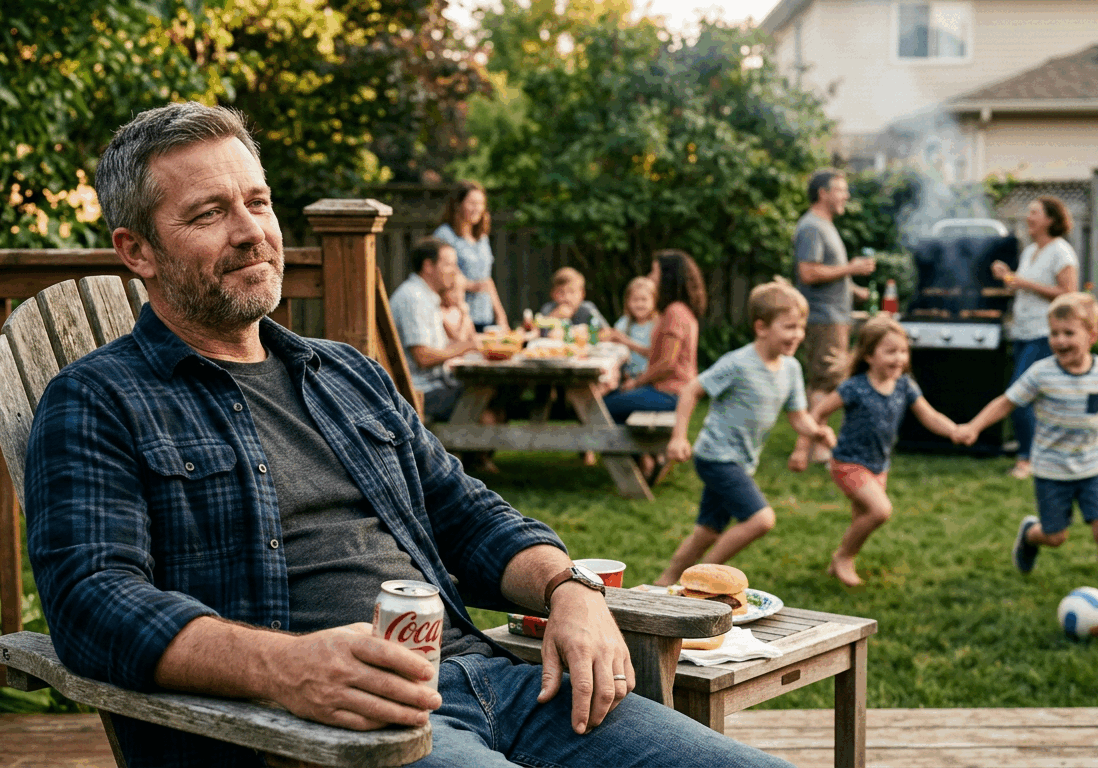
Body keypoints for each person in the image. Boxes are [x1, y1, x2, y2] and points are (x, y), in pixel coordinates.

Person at [23, 102, 792, 768]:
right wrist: (285, 668)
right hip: (318, 734)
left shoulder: (343, 375)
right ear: (137, 252)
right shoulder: (96, 402)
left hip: (503, 684)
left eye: (257, 202)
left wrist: (570, 588)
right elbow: (92, 602)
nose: (251, 232)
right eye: (208, 214)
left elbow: (465, 512)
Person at [653, 280, 836, 587]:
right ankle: (699, 580)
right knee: (760, 520)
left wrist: (816, 432)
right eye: (789, 327)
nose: (797, 335)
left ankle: (664, 584)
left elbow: (798, 417)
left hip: (741, 460)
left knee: (706, 532)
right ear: (761, 327)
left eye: (801, 327)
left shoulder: (791, 369)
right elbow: (690, 390)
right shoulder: (738, 363)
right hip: (716, 456)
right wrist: (679, 437)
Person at [790, 316, 959, 586]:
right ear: (869, 355)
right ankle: (843, 556)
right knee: (880, 511)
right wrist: (803, 449)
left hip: (879, 465)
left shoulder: (904, 385)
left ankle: (842, 562)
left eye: (903, 351)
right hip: (848, 462)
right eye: (890, 351)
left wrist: (954, 430)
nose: (899, 358)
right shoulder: (854, 387)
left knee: (863, 519)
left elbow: (930, 416)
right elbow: (818, 412)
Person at [956, 292, 1098, 574]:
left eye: (1069, 333)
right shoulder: (1041, 373)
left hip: (1092, 466)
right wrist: (973, 426)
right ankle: (1030, 535)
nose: (1060, 340)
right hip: (1051, 471)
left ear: (1092, 335)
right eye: (1054, 333)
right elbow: (1006, 402)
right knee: (1055, 537)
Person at [990, 195, 1079, 480]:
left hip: (1046, 334)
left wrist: (1023, 282)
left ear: (1050, 219)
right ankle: (1043, 453)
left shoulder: (1061, 252)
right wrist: (1009, 278)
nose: (1028, 217)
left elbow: (1069, 293)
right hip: (1023, 332)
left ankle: (1025, 460)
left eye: (1034, 213)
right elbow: (1026, 288)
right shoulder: (1030, 252)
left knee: (1020, 395)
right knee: (1035, 397)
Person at [790, 169, 876, 466]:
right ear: (823, 193)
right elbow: (808, 272)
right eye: (841, 190)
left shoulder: (825, 226)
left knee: (826, 381)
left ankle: (818, 444)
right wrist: (850, 269)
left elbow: (826, 272)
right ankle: (820, 449)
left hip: (834, 316)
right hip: (823, 317)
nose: (846, 196)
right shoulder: (812, 227)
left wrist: (853, 288)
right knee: (826, 384)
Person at [602, 250, 706, 482]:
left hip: (671, 394)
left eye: (654, 271)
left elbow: (667, 364)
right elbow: (659, 355)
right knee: (611, 407)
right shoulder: (678, 310)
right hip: (669, 390)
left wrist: (636, 383)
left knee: (604, 407)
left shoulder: (674, 313)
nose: (650, 276)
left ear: (667, 276)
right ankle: (647, 458)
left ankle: (647, 458)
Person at [390, 237, 478, 422]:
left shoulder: (425, 297)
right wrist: (467, 347)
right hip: (419, 394)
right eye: (449, 265)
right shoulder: (414, 298)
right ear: (428, 266)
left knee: (488, 398)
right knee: (484, 398)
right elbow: (423, 356)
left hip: (433, 386)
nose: (455, 271)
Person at [434, 181, 508, 332]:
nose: (478, 208)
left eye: (481, 203)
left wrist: (501, 317)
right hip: (457, 318)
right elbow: (439, 277)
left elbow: (486, 280)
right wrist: (471, 286)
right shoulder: (444, 235)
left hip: (484, 315)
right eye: (472, 203)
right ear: (457, 205)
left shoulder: (481, 238)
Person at [601, 275, 658, 384]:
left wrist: (625, 341)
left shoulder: (656, 324)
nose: (639, 304)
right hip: (624, 376)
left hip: (647, 378)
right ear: (627, 302)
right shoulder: (625, 322)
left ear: (654, 301)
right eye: (635, 300)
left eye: (644, 299)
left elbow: (654, 353)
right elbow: (613, 341)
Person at [539, 267, 609, 329]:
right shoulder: (548, 309)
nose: (567, 297)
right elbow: (538, 332)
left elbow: (606, 332)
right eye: (561, 292)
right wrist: (553, 316)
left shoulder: (588, 309)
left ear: (582, 294)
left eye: (572, 292)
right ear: (553, 294)